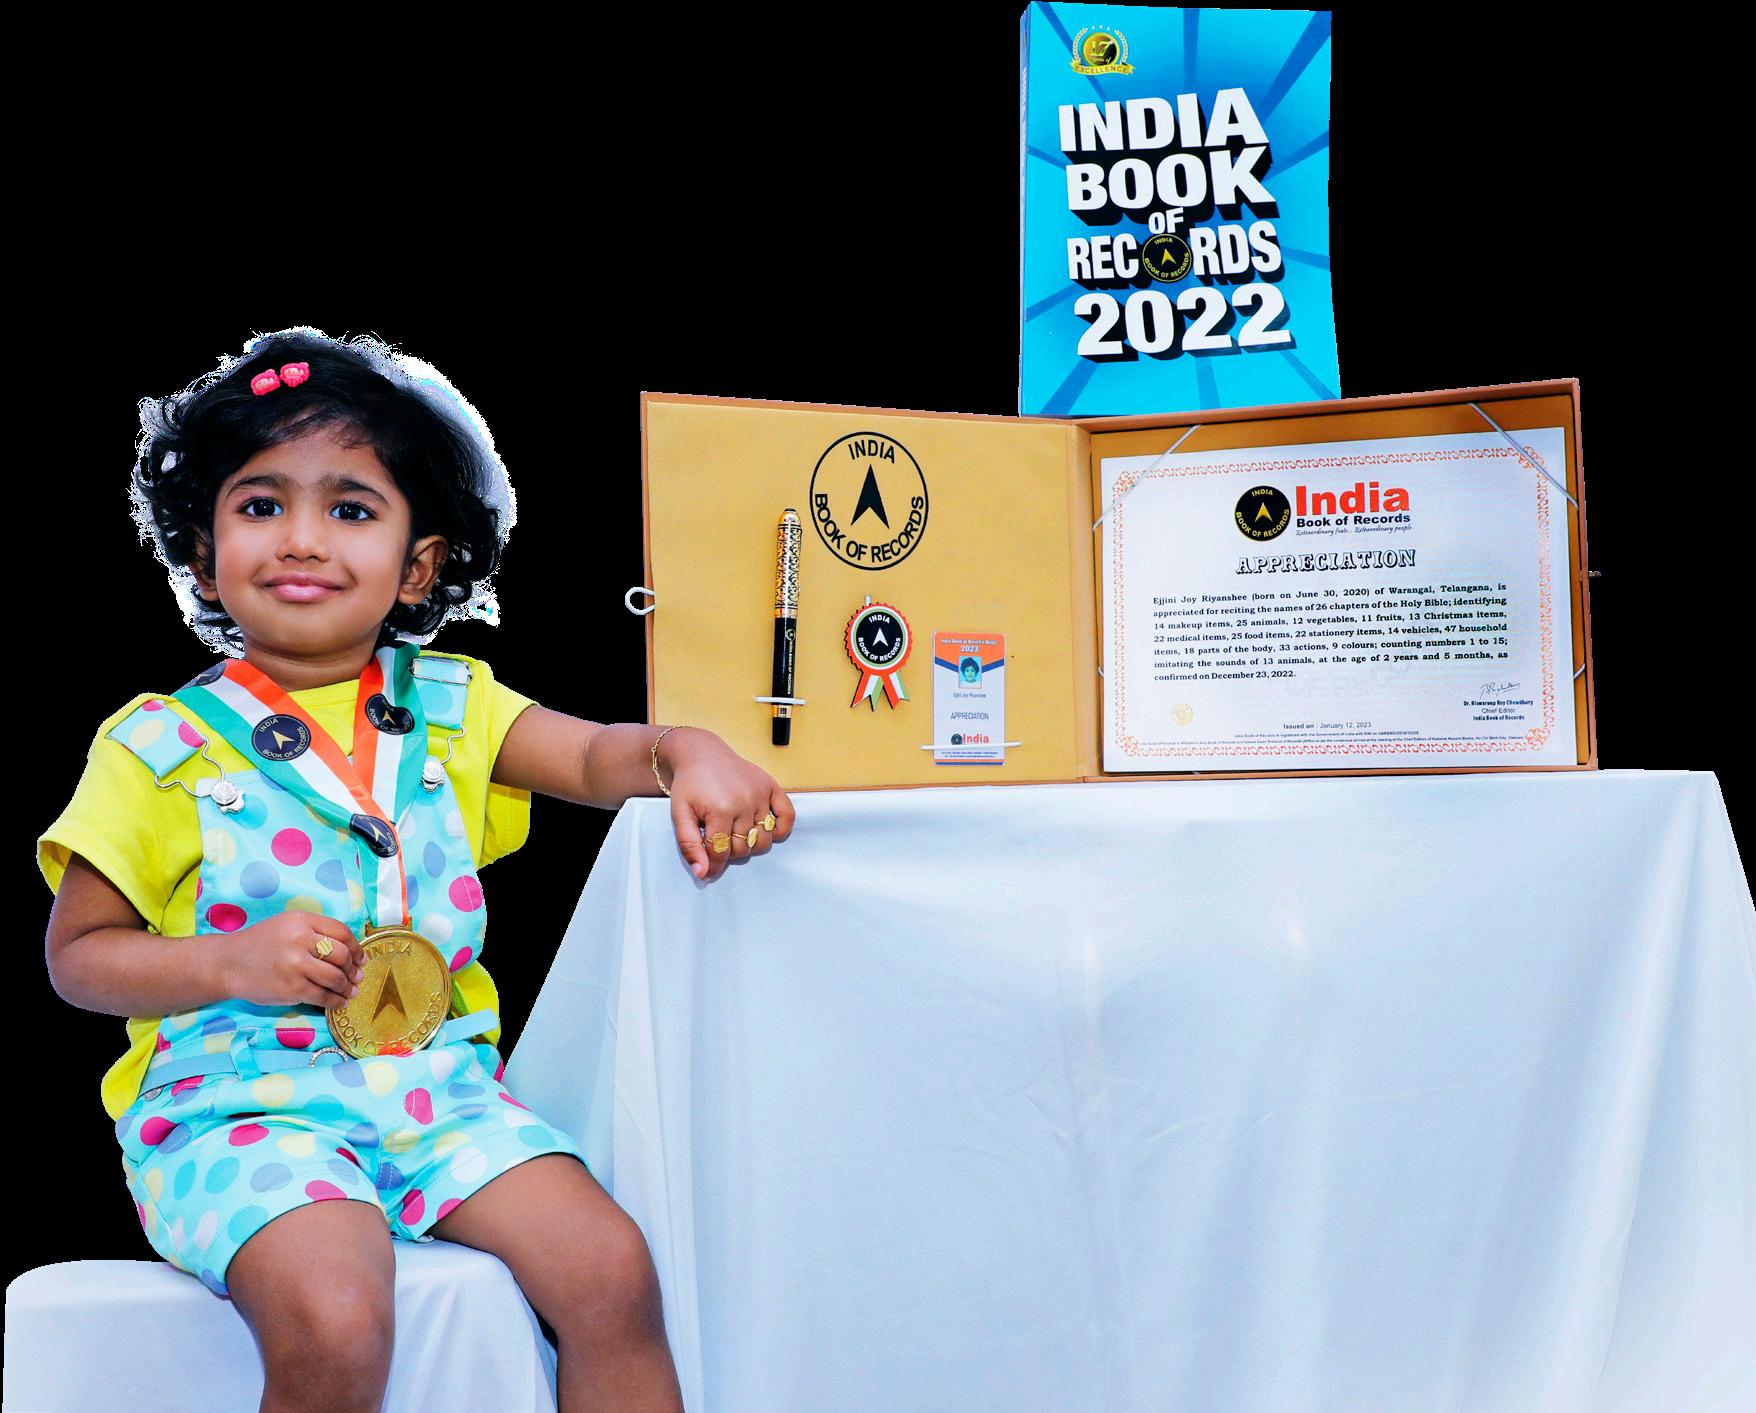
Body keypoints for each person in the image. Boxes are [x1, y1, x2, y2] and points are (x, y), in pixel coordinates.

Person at [37, 327, 789, 1413]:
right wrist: (225, 962)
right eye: (261, 505)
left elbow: (592, 757)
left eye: (350, 510)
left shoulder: (452, 706)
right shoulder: (156, 747)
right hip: (240, 1114)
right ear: (202, 553)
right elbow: (79, 957)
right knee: (338, 1317)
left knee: (612, 1272)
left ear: (419, 565)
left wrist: (686, 752)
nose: (303, 540)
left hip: (441, 1096)